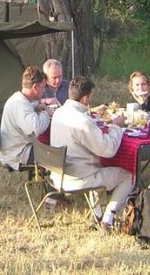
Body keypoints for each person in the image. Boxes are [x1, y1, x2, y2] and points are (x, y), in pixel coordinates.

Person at [50, 76, 133, 233]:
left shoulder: (59, 112)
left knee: (97, 167)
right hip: (78, 179)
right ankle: (109, 216)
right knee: (130, 176)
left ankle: (97, 214)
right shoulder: (82, 121)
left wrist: (91, 113)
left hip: (58, 175)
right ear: (85, 97)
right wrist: (116, 127)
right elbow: (108, 150)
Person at [0, 65, 55, 170]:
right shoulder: (19, 104)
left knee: (55, 147)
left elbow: (28, 108)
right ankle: (58, 183)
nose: (43, 91)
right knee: (59, 155)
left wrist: (37, 106)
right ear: (35, 87)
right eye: (42, 87)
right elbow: (37, 128)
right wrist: (46, 113)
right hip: (18, 154)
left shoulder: (20, 99)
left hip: (18, 147)